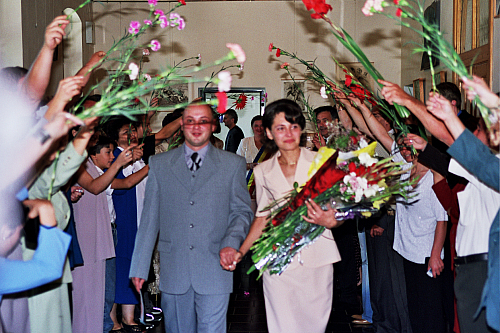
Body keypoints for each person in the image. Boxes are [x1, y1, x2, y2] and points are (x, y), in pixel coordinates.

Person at [129, 102, 253, 333]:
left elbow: (242, 212)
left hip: (216, 265)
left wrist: (231, 243)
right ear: (181, 126)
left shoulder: (232, 164)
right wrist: (139, 266)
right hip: (174, 267)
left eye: (203, 121)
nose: (196, 127)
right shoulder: (160, 164)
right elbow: (149, 219)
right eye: (190, 121)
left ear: (213, 125)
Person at [233, 99, 343, 333]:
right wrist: (241, 252)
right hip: (278, 260)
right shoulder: (263, 171)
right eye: (280, 128)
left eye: (294, 126)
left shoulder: (321, 161)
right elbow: (262, 217)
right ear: (270, 133)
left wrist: (332, 220)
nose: (288, 133)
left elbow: (341, 207)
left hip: (318, 258)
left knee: (313, 327)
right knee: (282, 326)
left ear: (301, 130)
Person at [426, 88, 500, 332]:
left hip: (484, 266)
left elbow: (451, 140)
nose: (477, 133)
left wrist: (446, 116)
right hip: (470, 265)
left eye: (480, 128)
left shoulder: (490, 167)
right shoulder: (489, 164)